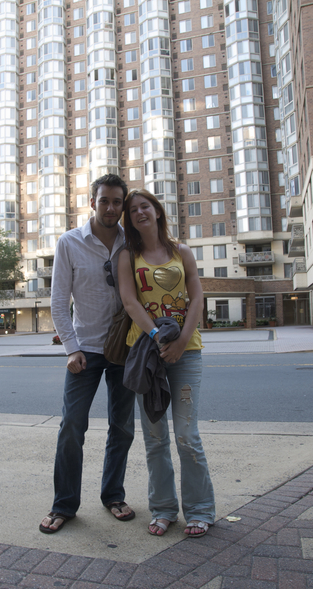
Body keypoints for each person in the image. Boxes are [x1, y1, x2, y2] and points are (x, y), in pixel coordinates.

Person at [39, 174, 136, 534]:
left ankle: (113, 495)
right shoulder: (70, 243)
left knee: (122, 427)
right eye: (104, 201)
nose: (111, 208)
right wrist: (71, 348)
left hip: (126, 349)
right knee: (71, 427)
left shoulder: (133, 242)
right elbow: (58, 303)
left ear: (123, 205)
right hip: (85, 351)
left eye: (117, 202)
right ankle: (64, 504)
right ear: (92, 202)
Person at [118, 189, 215, 538]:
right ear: (129, 219)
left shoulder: (182, 252)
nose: (139, 212)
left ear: (157, 211)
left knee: (187, 435)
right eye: (132, 210)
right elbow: (131, 302)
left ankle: (201, 510)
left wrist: (182, 341)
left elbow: (197, 297)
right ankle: (163, 509)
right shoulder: (128, 256)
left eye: (145, 206)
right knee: (155, 438)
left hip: (186, 354)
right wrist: (160, 337)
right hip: (148, 357)